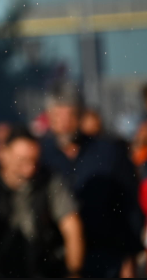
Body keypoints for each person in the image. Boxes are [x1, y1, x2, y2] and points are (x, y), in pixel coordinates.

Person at [0, 125, 85, 277]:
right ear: (3, 154)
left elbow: (72, 227)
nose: (29, 169)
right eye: (22, 161)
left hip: (41, 270)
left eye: (34, 161)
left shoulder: (49, 182)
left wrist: (74, 272)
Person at [41, 90, 144, 277]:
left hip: (105, 256)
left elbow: (129, 205)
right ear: (49, 117)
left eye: (70, 115)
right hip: (54, 258)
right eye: (58, 116)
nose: (65, 123)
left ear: (80, 115)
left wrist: (129, 257)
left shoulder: (108, 152)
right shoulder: (40, 156)